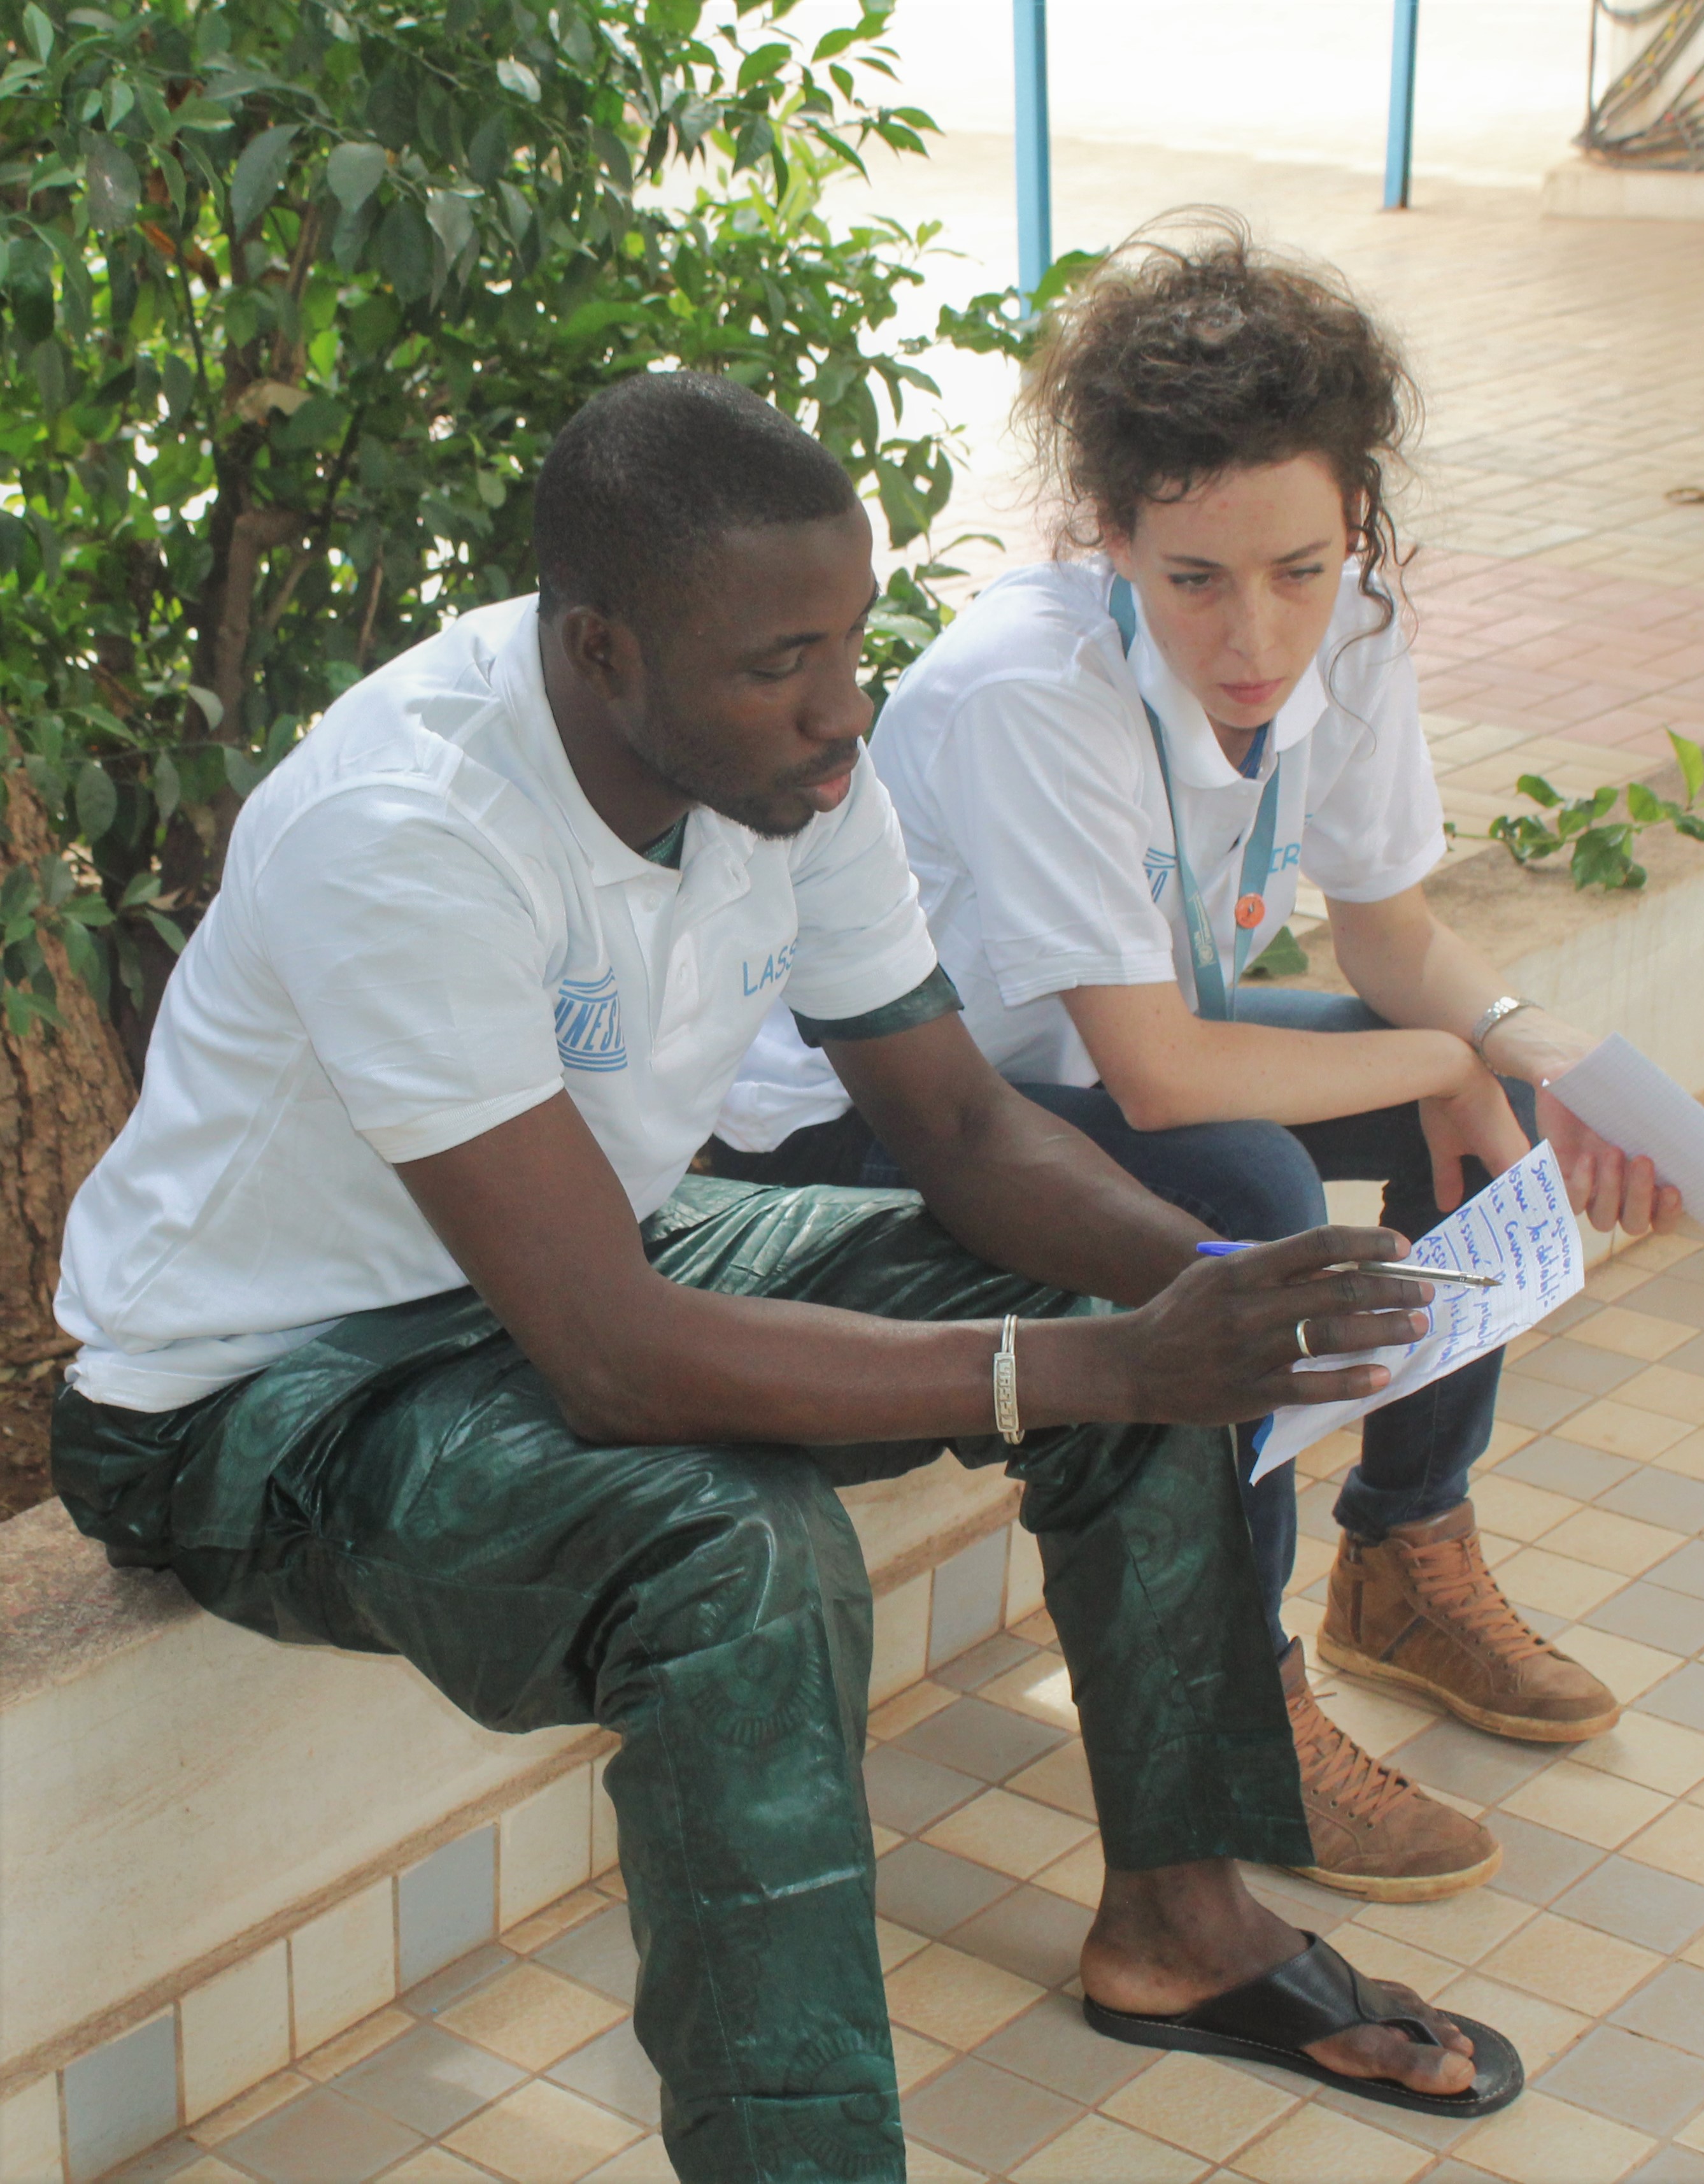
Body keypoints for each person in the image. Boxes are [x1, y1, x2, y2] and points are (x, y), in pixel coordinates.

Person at [50, 374, 1524, 2184]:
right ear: (601, 652)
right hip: (264, 1394)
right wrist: (1119, 1365)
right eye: (780, 666)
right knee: (744, 1563)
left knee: (1118, 1319)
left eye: (848, 641)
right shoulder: (410, 832)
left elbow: (962, 1130)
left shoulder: (783, 763)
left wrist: (1230, 1284)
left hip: (585, 1250)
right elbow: (610, 1358)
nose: (843, 713)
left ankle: (1184, 1925)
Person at [713, 218, 1684, 1907]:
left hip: (1071, 1078)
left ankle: (1404, 1559)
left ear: (1355, 523)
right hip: (861, 1125)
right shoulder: (1030, 692)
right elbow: (1160, 1076)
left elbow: (1391, 938)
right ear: (1110, 535)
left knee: (1484, 1099)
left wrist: (1518, 1045)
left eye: (1300, 568)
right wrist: (1447, 1046)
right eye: (1196, 581)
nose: (1257, 635)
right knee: (1245, 1184)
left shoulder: (1352, 630)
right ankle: (1248, 1703)